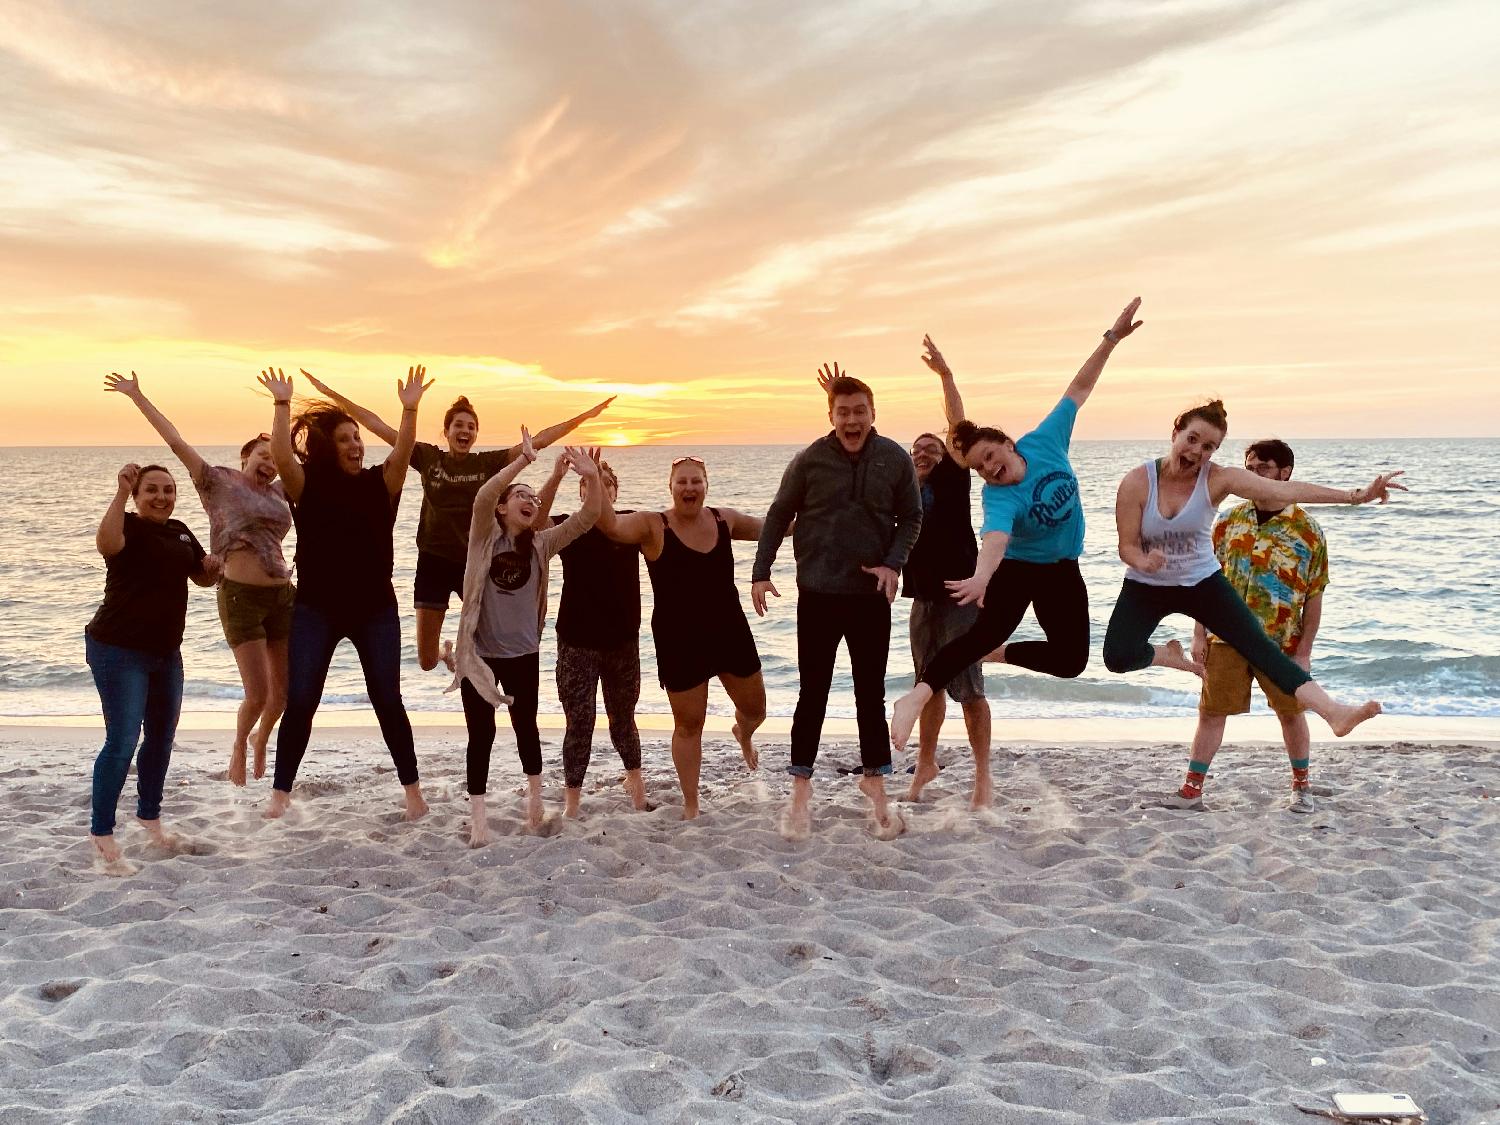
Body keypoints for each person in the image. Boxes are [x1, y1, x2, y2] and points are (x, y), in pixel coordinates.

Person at [888, 303, 1146, 761]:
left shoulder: (1046, 440)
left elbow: (1079, 388)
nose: (990, 469)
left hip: (1062, 570)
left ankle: (1002, 652)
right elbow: (995, 540)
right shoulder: (998, 498)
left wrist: (1111, 339)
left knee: (1071, 662)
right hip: (1018, 569)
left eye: (991, 456)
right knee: (971, 641)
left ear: (1008, 443)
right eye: (981, 468)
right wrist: (983, 578)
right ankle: (916, 696)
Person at [1103, 398, 1404, 766]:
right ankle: (1168, 656)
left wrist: (1356, 497)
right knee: (1116, 657)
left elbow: (1286, 492)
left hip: (1201, 583)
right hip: (1147, 583)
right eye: (1192, 439)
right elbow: (1126, 546)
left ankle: (1334, 713)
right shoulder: (1137, 482)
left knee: (1262, 648)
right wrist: (1143, 560)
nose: (1197, 451)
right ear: (1175, 433)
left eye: (1209, 446)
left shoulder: (1218, 478)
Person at [300, 370, 613, 672]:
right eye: (459, 425)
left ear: (476, 434)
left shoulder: (488, 462)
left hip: (474, 562)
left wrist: (587, 416)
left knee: (490, 642)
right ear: (446, 431)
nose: (465, 431)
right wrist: (330, 395)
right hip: (432, 562)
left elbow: (541, 439)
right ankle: (446, 655)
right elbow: (376, 424)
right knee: (425, 660)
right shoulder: (427, 457)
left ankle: (478, 672)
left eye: (471, 427)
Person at [753, 367, 922, 839]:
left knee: (870, 696)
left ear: (873, 414)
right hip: (819, 595)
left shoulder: (894, 458)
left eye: (859, 411)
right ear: (831, 414)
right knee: (814, 694)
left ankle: (876, 784)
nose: (852, 419)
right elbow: (778, 513)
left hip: (871, 597)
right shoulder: (809, 460)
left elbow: (911, 517)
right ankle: (801, 789)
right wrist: (760, 572)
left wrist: (893, 563)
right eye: (843, 411)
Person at [258, 367, 432, 821]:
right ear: (326, 448)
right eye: (345, 439)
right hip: (317, 608)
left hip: (375, 608)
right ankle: (280, 795)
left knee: (387, 699)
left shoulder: (381, 483)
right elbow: (279, 455)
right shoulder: (306, 485)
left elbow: (405, 449)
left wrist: (409, 409)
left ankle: (412, 791)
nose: (356, 445)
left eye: (357, 438)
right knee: (301, 701)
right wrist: (281, 405)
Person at [105, 371, 294, 787]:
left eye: (277, 458)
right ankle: (240, 744)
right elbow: (174, 439)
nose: (270, 462)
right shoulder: (217, 481)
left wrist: (286, 407)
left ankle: (263, 740)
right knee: (258, 694)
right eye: (263, 454)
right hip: (241, 598)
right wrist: (138, 394)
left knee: (283, 695)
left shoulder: (283, 493)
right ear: (246, 456)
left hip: (283, 595)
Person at [445, 432, 602, 843]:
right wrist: (523, 463)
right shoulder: (484, 538)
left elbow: (587, 518)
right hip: (479, 655)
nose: (530, 500)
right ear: (503, 508)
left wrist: (592, 476)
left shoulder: (542, 544)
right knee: (482, 735)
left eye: (534, 497)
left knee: (526, 728)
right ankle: (479, 820)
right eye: (521, 496)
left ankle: (535, 803)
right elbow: (483, 495)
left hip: (523, 654)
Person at [599, 456, 765, 820]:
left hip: (729, 630)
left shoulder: (725, 519)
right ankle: (692, 804)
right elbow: (610, 526)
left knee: (757, 710)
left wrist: (815, 506)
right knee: (690, 725)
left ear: (706, 485)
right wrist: (595, 483)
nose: (689, 488)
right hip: (679, 638)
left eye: (696, 481)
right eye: (682, 482)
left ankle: (744, 732)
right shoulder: (652, 525)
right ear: (670, 487)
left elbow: (772, 528)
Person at [1175, 439, 1330, 812]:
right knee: (1210, 712)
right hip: (1225, 636)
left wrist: (1305, 651)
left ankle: (1301, 787)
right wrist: (1199, 633)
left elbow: (1314, 596)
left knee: (1291, 714)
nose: (1252, 474)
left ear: (1285, 473)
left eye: (1261, 468)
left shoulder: (1308, 530)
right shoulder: (1228, 521)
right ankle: (1192, 790)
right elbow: (1203, 581)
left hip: (1281, 641)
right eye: (1248, 467)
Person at [85, 463, 221, 870]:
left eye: (168, 490)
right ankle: (102, 832)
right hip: (117, 649)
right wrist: (120, 493)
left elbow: (200, 576)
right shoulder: (126, 524)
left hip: (166, 653)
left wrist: (214, 567)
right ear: (138, 494)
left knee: (161, 739)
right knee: (122, 742)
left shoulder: (179, 530)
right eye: (152, 490)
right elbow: (106, 545)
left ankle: (149, 818)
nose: (161, 497)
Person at [532, 453, 648, 817]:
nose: (598, 490)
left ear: (614, 492)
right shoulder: (567, 527)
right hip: (576, 645)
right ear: (580, 492)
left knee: (623, 720)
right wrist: (555, 476)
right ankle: (572, 803)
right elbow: (532, 527)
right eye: (589, 484)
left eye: (604, 483)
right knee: (579, 724)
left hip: (622, 645)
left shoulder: (631, 524)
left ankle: (637, 787)